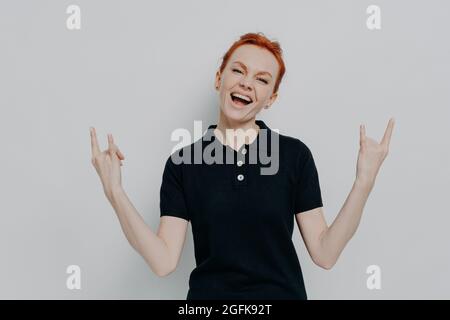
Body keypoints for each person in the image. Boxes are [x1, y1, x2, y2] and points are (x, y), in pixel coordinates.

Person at [89, 32, 395, 300]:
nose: (247, 83)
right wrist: (115, 192)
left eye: (262, 80)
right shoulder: (183, 163)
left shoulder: (294, 156)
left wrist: (363, 183)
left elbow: (325, 253)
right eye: (238, 71)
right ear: (219, 78)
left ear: (271, 98)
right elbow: (163, 261)